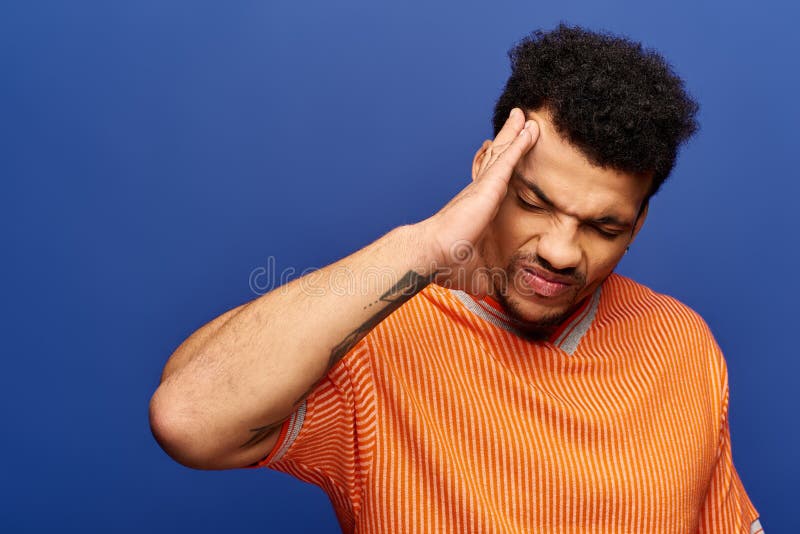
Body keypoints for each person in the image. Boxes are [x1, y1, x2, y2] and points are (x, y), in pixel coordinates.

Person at [149, 23, 763, 533]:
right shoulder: (380, 338)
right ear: (487, 169)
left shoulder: (680, 343)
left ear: (638, 223)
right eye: (533, 201)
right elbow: (187, 420)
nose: (560, 250)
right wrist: (427, 246)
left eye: (603, 227)